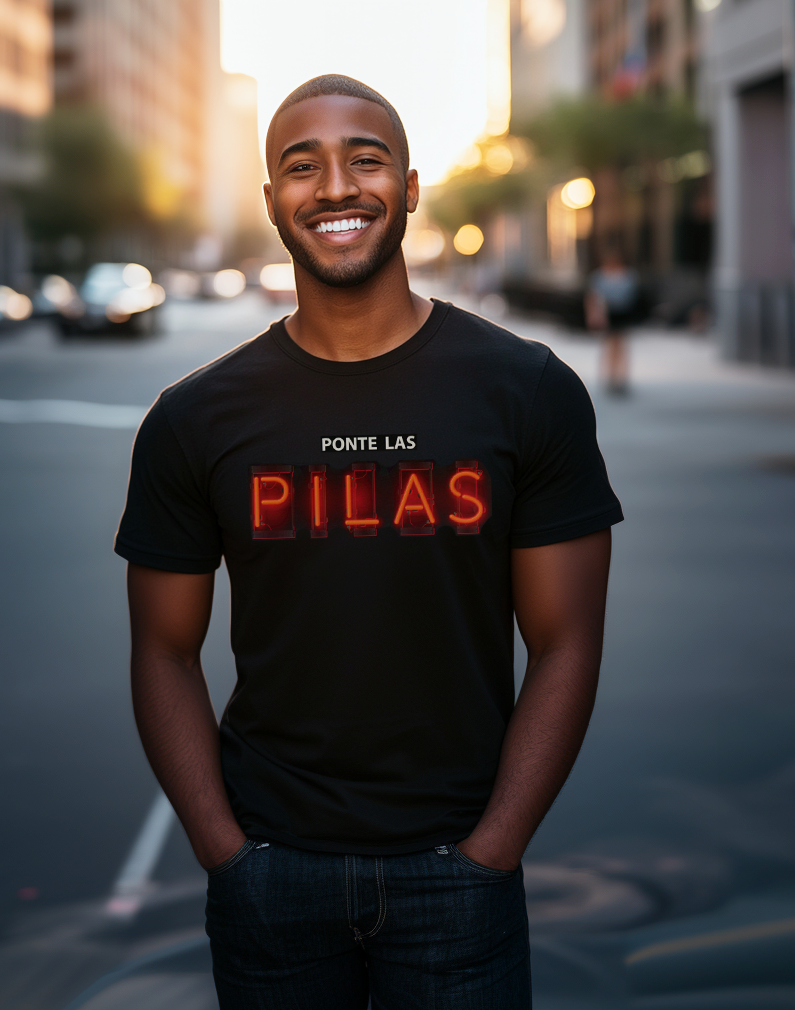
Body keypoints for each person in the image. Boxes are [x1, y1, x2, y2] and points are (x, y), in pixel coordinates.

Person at [115, 75, 623, 1009]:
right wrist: (224, 852)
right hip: (272, 872)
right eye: (302, 167)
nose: (336, 187)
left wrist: (493, 850)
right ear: (272, 201)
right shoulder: (194, 419)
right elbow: (163, 649)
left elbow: (567, 643)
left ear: (412, 186)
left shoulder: (526, 391)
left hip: (457, 872)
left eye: (366, 158)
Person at [584, 245, 640, 395]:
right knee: (610, 346)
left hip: (623, 314)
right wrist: (594, 315)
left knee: (621, 345)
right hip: (608, 313)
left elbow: (634, 297)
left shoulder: (628, 275)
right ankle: (610, 377)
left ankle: (620, 378)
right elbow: (593, 298)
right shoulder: (599, 277)